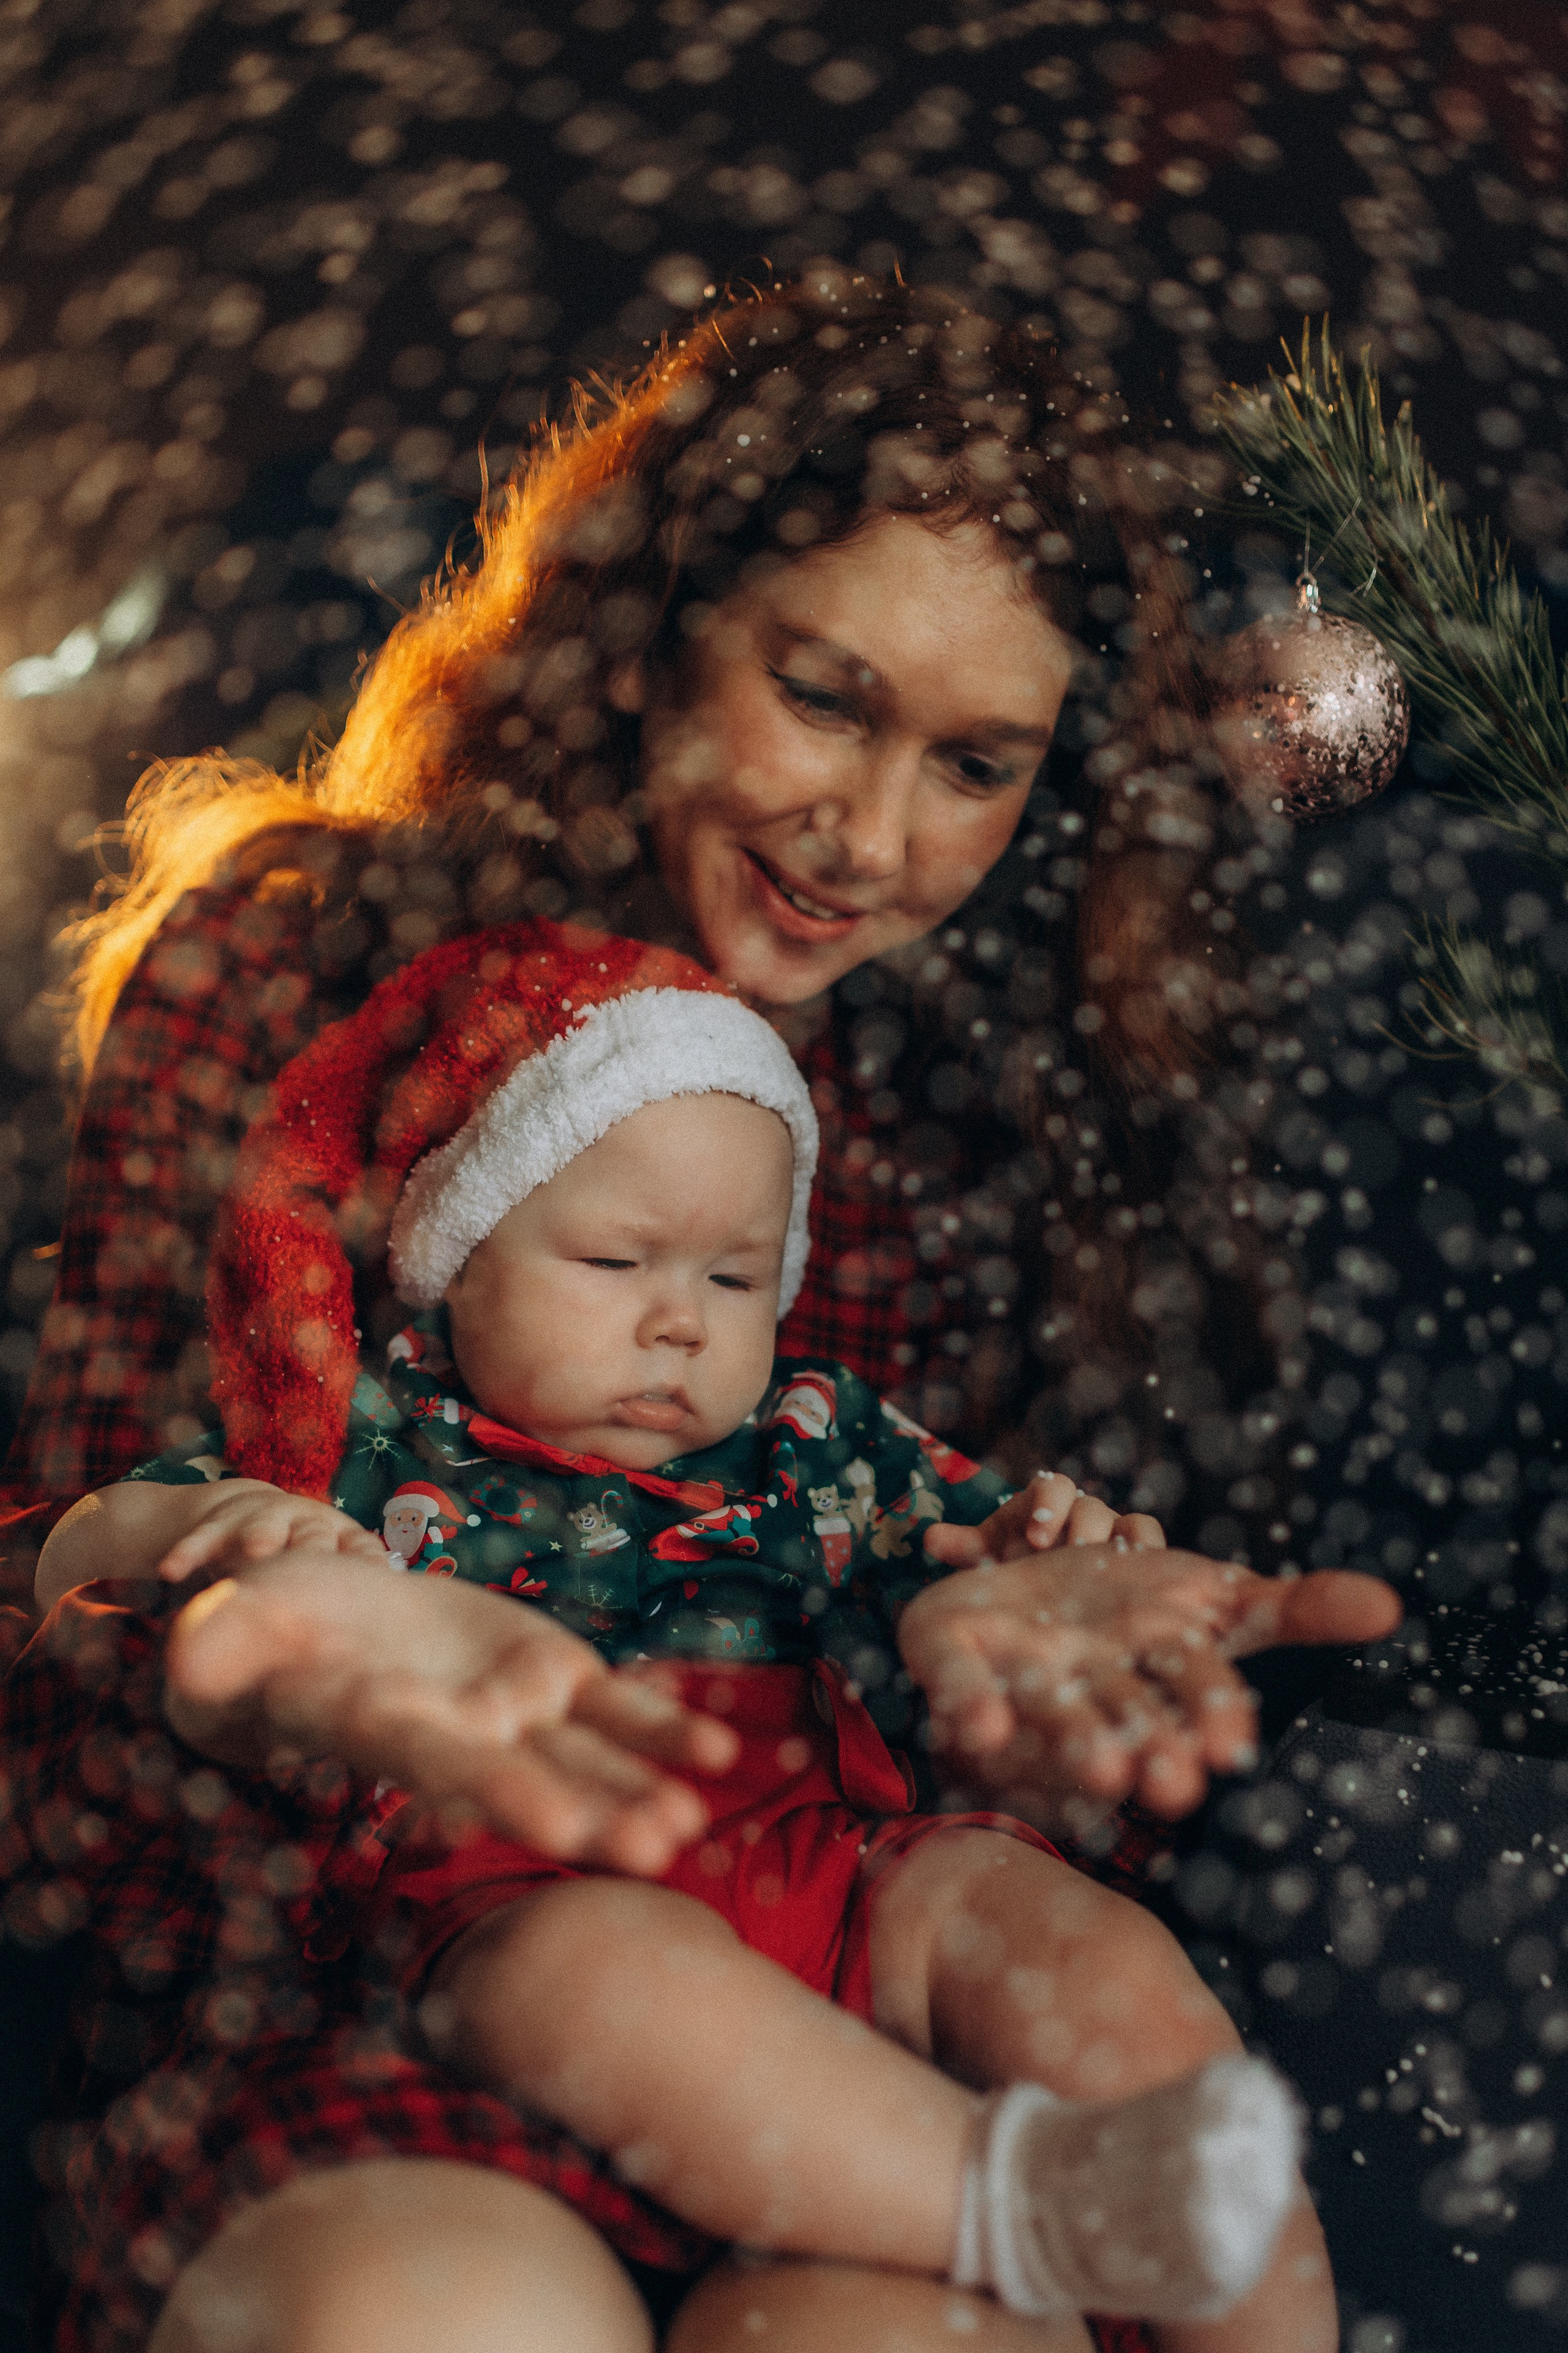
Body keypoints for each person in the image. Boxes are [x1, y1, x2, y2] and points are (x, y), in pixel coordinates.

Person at [2, 274, 1395, 2353]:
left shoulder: (992, 1120)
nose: (871, 836)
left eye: (977, 762)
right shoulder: (303, 978)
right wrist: (263, 1671)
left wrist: (967, 1657)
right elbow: (77, 1594)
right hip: (355, 1990)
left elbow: (917, 1649)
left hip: (825, 2004)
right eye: (824, 696)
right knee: (445, 2324)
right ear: (653, 635)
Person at [36, 924, 1332, 2351]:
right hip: (528, 1888)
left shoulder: (814, 1438)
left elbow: (970, 1555)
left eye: (732, 1281)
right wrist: (219, 1528)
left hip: (824, 1882)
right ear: (454, 1255)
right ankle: (1004, 2201)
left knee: (1077, 1952)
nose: (676, 1325)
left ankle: (1249, 2308)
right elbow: (91, 1537)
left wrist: (1036, 1560)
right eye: (614, 1258)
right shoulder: (363, 1434)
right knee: (587, 1971)